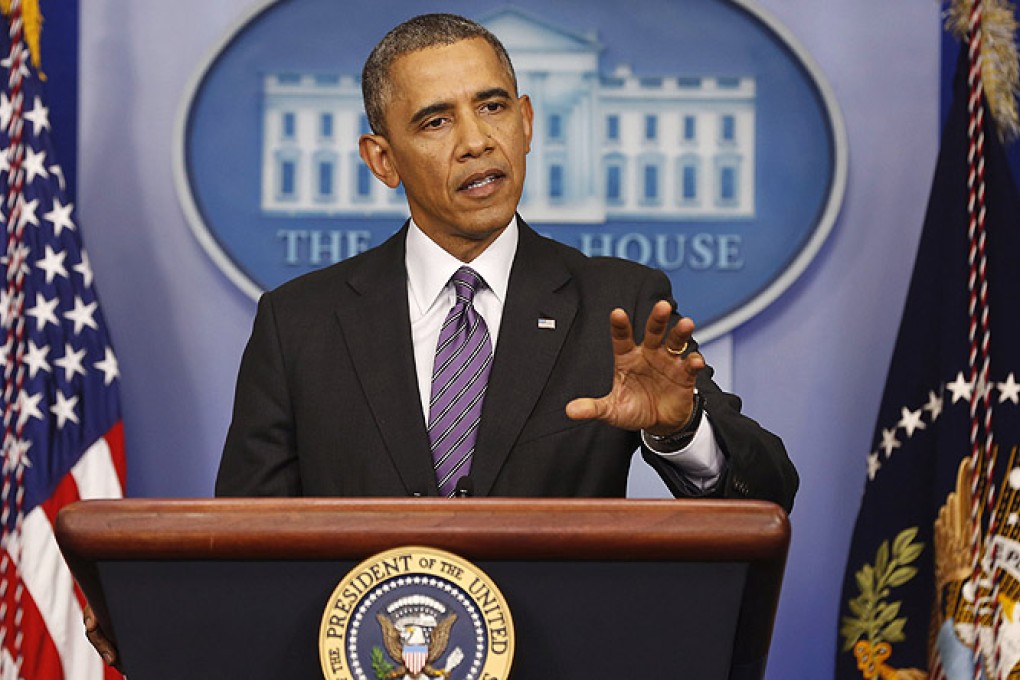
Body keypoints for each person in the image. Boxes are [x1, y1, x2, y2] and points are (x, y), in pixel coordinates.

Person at [87, 13, 797, 667]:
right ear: (382, 159)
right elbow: (245, 544)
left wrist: (681, 430)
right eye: (435, 120)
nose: (476, 140)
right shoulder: (299, 321)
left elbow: (768, 493)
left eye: (492, 107)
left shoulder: (618, 303)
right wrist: (155, 612)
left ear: (525, 122)